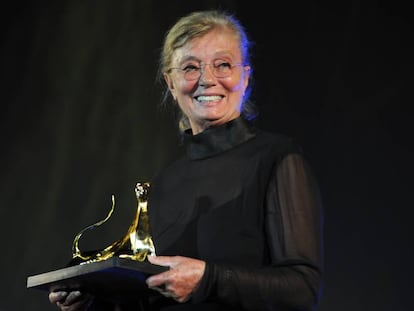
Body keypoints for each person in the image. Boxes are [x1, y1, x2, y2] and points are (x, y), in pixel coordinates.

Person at [49, 9, 324, 311]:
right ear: (170, 83)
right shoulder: (165, 184)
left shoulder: (278, 159)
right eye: (190, 67)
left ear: (245, 77)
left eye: (223, 65)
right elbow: (150, 297)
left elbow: (301, 289)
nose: (207, 80)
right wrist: (91, 301)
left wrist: (209, 279)